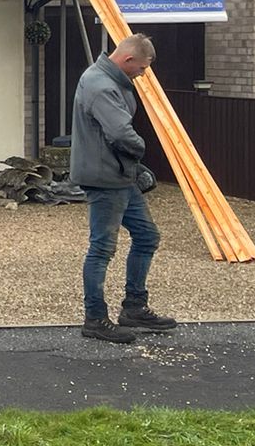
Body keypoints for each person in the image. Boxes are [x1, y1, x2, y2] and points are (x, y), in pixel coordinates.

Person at [68, 32, 178, 344]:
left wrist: (134, 167)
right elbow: (120, 133)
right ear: (128, 59)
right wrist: (143, 150)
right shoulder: (101, 85)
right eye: (141, 68)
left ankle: (134, 308)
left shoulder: (110, 80)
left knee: (146, 236)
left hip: (118, 174)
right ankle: (95, 319)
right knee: (102, 248)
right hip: (104, 177)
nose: (143, 74)